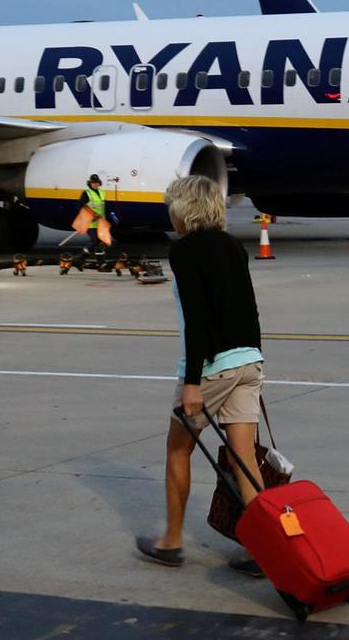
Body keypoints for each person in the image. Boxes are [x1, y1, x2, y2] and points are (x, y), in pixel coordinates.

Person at [135, 175, 266, 577]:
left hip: (212, 368)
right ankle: (264, 549)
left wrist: (192, 381)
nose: (169, 213)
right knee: (243, 458)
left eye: (171, 204)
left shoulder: (186, 251)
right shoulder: (232, 246)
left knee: (178, 450)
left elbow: (196, 320)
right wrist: (254, 361)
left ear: (185, 208)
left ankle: (171, 542)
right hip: (248, 361)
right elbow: (249, 308)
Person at [79, 174, 110, 259]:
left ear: (99, 183)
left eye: (96, 182)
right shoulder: (86, 193)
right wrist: (92, 214)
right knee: (94, 241)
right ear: (90, 183)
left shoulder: (102, 192)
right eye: (93, 182)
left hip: (101, 222)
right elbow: (82, 205)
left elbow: (105, 206)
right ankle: (80, 258)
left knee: (101, 242)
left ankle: (100, 262)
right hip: (91, 222)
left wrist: (111, 214)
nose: (95, 184)